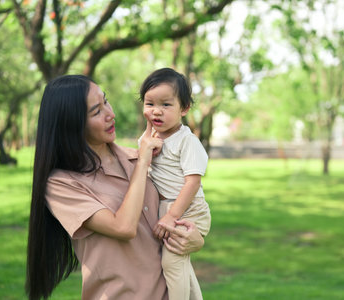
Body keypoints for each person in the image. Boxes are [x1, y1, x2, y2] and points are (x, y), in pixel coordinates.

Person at [25, 74, 205, 300]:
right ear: (71, 123)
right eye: (96, 111)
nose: (111, 114)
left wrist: (195, 239)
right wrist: (142, 163)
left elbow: (178, 206)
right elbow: (124, 227)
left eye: (106, 101)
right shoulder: (62, 184)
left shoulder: (140, 158)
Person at [139, 68, 211, 300]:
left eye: (166, 105)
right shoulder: (149, 138)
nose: (156, 111)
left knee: (172, 262)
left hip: (188, 209)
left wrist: (171, 216)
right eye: (149, 104)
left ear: (184, 108)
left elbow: (192, 182)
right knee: (180, 264)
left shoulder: (186, 141)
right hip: (167, 209)